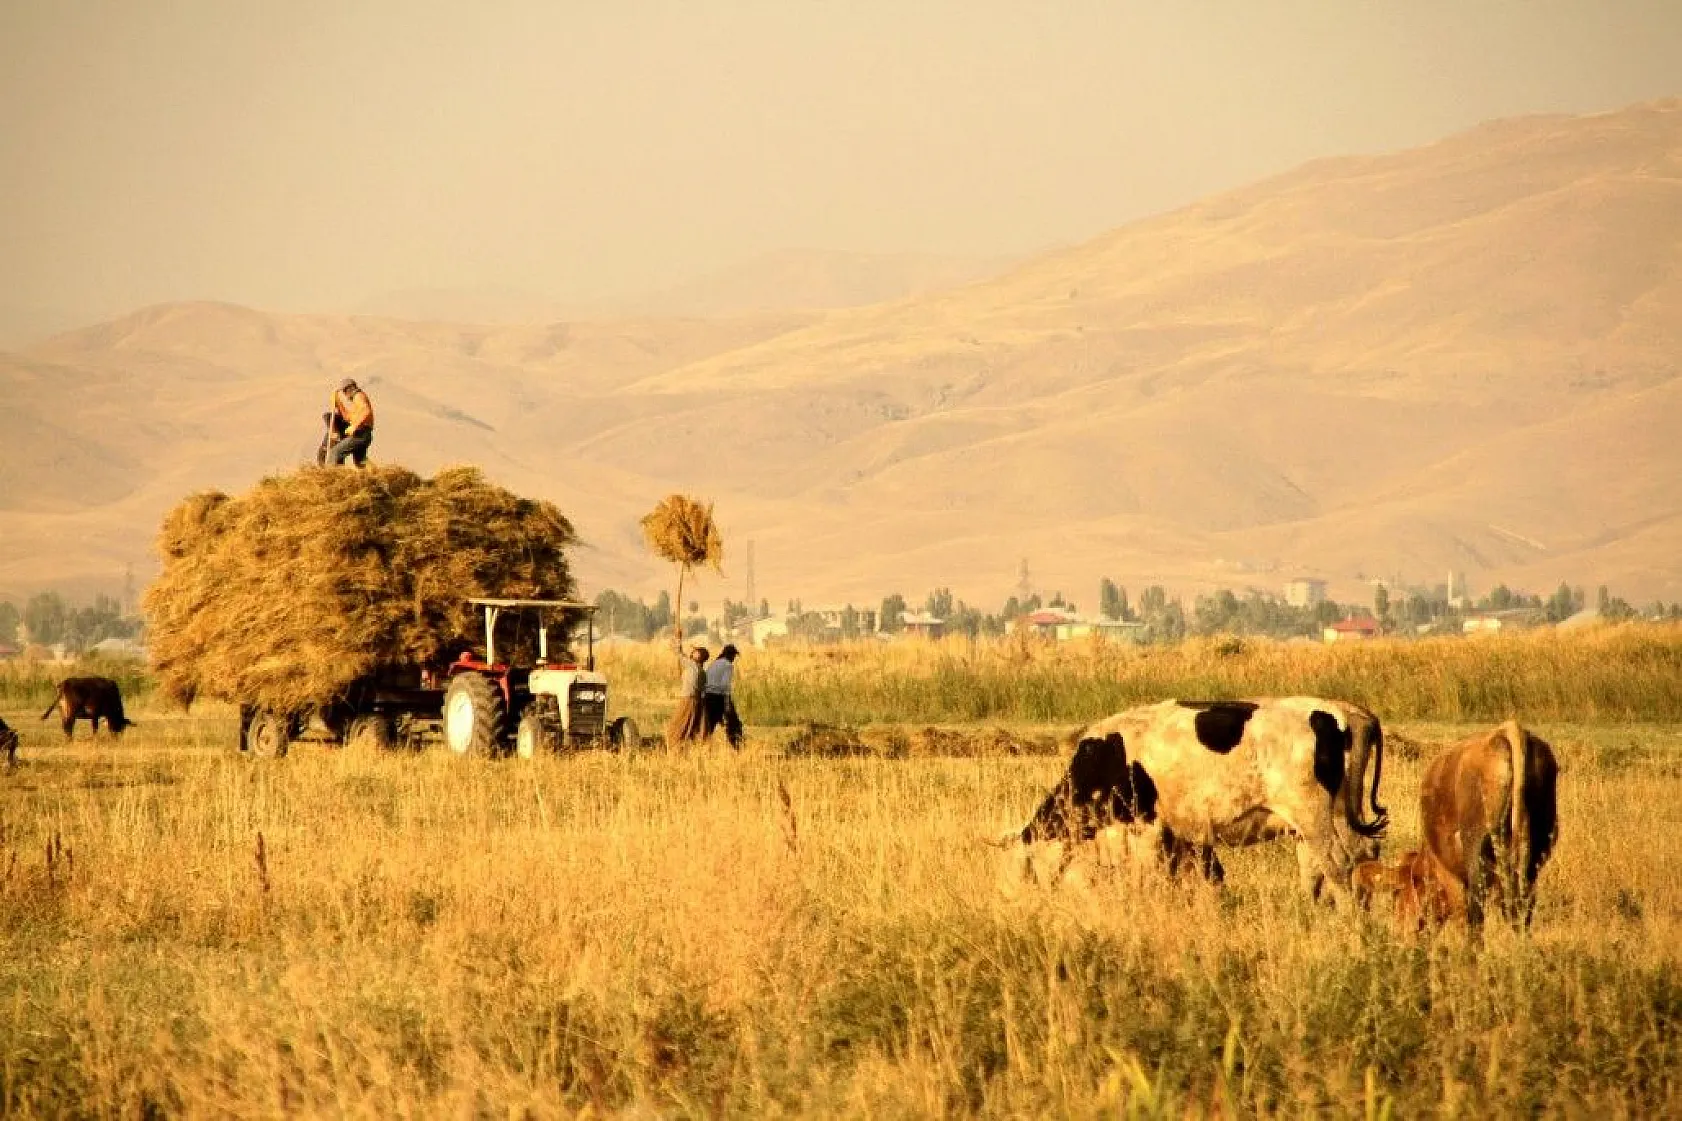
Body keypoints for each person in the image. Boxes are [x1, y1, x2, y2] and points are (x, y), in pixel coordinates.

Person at [664, 643, 709, 748]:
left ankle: (674, 747)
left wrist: (678, 639)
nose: (693, 652)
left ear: (699, 657)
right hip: (696, 701)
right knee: (690, 726)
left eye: (696, 651)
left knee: (675, 727)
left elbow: (679, 654)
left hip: (687, 700)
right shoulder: (702, 672)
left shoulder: (692, 665)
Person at [324, 378, 374, 467]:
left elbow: (366, 411)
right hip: (364, 435)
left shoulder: (358, 396)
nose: (345, 394)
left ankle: (333, 476)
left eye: (344, 391)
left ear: (349, 388)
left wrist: (354, 426)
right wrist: (338, 403)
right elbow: (347, 417)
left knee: (334, 453)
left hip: (360, 434)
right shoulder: (356, 401)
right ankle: (374, 474)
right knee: (360, 462)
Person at [703, 643, 743, 749]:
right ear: (731, 655)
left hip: (707, 696)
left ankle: (703, 745)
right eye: (734, 656)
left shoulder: (714, 663)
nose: (734, 658)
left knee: (709, 724)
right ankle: (736, 745)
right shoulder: (728, 665)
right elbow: (725, 685)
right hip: (718, 697)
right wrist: (727, 703)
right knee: (733, 722)